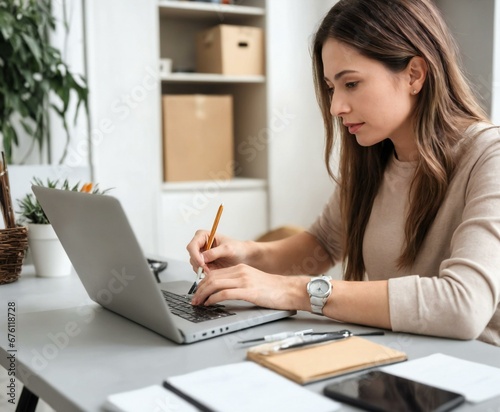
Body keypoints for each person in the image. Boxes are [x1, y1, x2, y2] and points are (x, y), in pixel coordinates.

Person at [187, 0, 500, 346]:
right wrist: (246, 254)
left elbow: (463, 305)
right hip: (395, 361)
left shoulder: (490, 157)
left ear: (414, 74)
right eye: (331, 87)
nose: (336, 107)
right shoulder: (375, 157)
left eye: (350, 84)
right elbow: (322, 244)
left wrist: (298, 291)